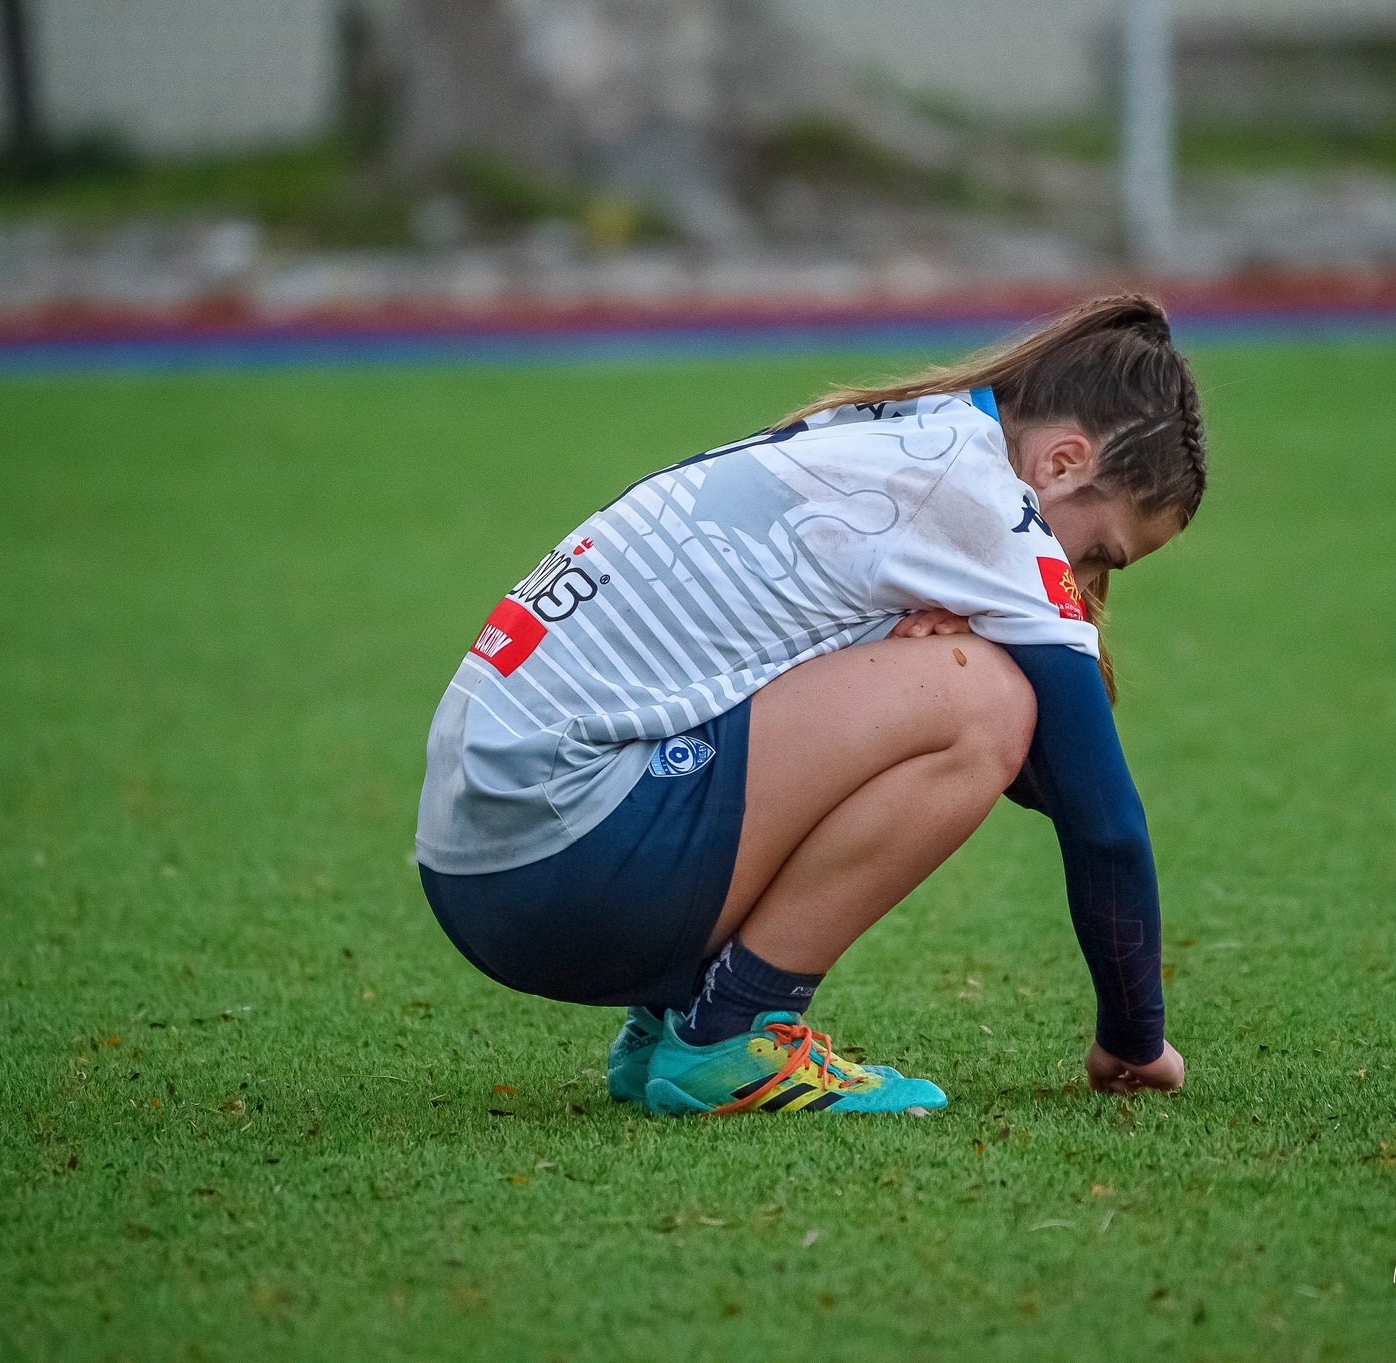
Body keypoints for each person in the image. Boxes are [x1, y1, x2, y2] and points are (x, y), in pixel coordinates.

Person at [414, 293, 1205, 1116]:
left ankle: (670, 1022)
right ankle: (736, 1028)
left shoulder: (906, 431)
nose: (1080, 577)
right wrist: (1135, 1039)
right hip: (560, 868)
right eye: (1099, 550)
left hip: (480, 858)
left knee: (947, 676)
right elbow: (1097, 811)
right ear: (1065, 461)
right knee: (986, 704)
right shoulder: (981, 498)